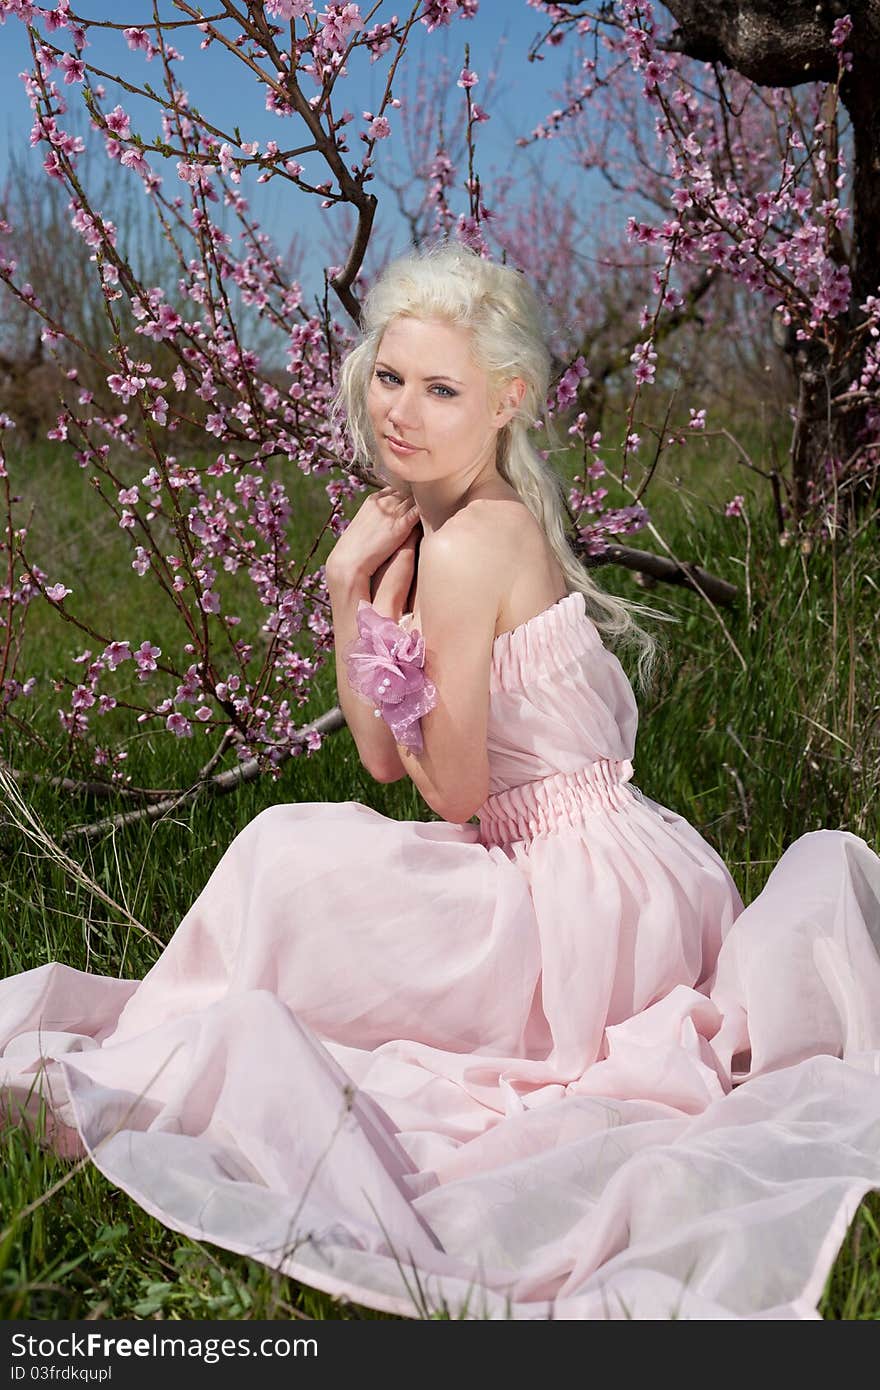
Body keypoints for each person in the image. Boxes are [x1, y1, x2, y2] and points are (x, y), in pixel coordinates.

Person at [2, 241, 880, 1321]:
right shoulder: (436, 529)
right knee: (291, 844)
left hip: (579, 906)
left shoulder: (474, 544)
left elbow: (448, 790)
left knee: (290, 850)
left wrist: (384, 620)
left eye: (441, 389)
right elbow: (380, 754)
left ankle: (168, 1057)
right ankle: (180, 1043)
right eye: (389, 376)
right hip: (575, 861)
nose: (401, 411)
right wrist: (347, 590)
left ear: (507, 400)